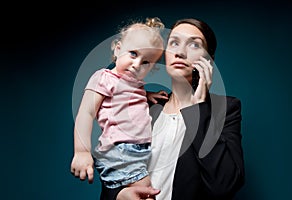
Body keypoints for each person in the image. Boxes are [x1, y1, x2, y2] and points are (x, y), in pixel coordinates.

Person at [101, 18, 245, 200]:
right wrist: (120, 195)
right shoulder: (143, 106)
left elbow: (223, 186)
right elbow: (113, 166)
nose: (180, 53)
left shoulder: (225, 110)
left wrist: (197, 108)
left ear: (209, 60)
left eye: (194, 45)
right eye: (174, 43)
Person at [70, 17, 168, 197]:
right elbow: (86, 112)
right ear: (117, 49)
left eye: (146, 62)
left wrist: (146, 96)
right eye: (133, 54)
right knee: (147, 192)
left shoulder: (135, 85)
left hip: (137, 151)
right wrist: (82, 151)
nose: (137, 64)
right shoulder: (104, 78)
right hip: (120, 150)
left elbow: (125, 100)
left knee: (141, 194)